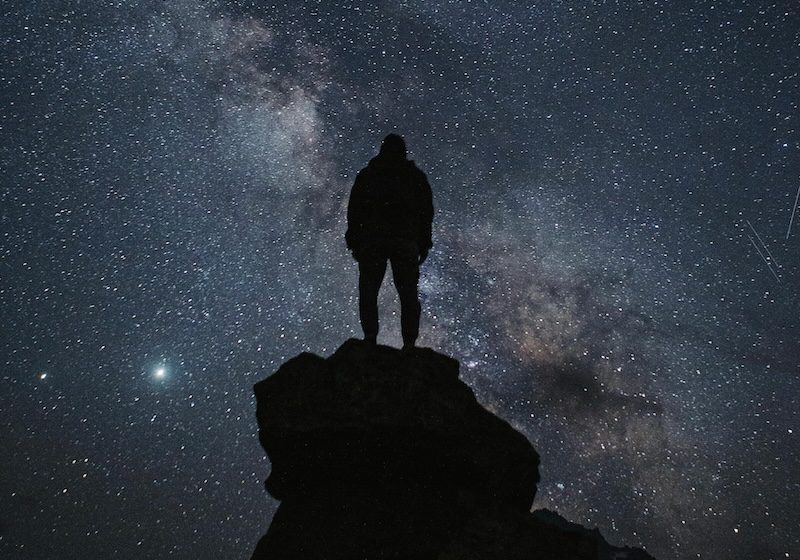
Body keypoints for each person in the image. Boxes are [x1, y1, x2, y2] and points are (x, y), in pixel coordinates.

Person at [346, 134, 433, 349]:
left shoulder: (368, 175)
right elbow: (426, 213)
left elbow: (354, 210)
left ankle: (370, 338)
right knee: (408, 294)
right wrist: (424, 243)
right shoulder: (415, 177)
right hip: (403, 241)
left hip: (373, 241)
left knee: (369, 291)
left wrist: (354, 239)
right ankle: (409, 344)